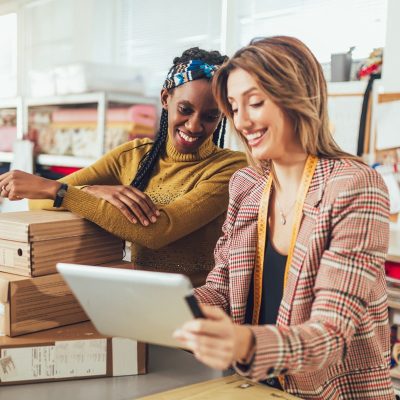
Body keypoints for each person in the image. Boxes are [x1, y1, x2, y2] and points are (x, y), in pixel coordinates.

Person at [174, 36, 394, 399]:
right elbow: (223, 289)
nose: (242, 121)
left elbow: (330, 334)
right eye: (233, 106)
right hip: (253, 387)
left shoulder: (354, 186)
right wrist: (178, 309)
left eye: (255, 103)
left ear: (297, 98)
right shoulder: (247, 186)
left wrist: (244, 343)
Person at [0, 47, 247, 287]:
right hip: (132, 295)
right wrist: (90, 190)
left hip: (196, 308)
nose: (194, 126)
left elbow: (158, 231)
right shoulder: (134, 155)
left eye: (210, 116)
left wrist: (63, 192)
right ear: (165, 99)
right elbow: (39, 200)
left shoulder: (230, 169)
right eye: (185, 110)